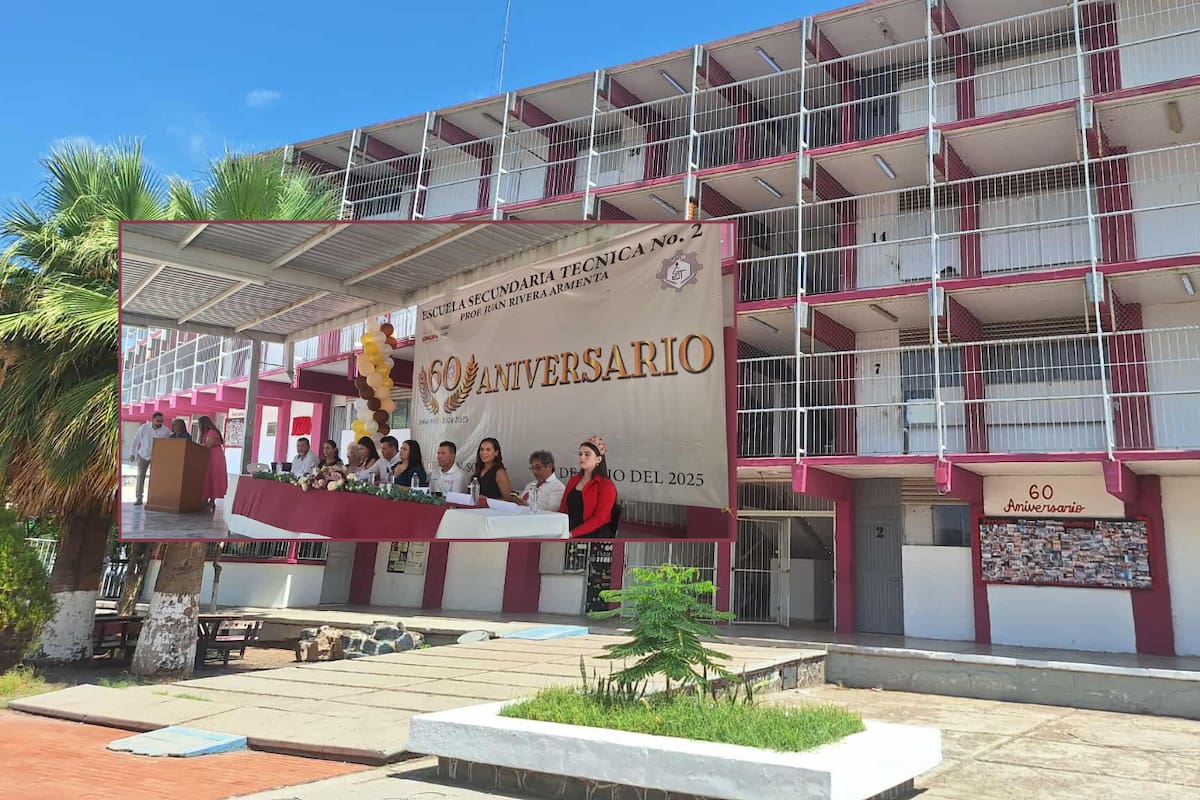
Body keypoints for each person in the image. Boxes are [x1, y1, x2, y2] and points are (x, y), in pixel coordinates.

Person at [559, 435, 618, 538]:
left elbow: (600, 518)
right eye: (580, 454)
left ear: (598, 459)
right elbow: (563, 508)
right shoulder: (574, 480)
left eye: (587, 454)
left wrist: (572, 533)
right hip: (569, 531)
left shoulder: (606, 486)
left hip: (594, 534)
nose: (582, 457)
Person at [129, 412, 170, 506]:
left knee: (156, 478)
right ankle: (139, 497)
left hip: (157, 457)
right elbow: (135, 440)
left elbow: (167, 445)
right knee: (141, 476)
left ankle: (154, 498)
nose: (160, 422)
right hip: (143, 455)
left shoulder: (166, 431)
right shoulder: (144, 427)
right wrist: (132, 453)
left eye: (161, 421)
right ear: (153, 419)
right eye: (158, 420)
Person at [196, 416, 228, 513]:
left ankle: (211, 501)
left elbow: (208, 445)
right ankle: (206, 499)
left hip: (214, 456)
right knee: (207, 478)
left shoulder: (212, 432)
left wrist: (196, 445)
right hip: (209, 456)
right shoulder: (207, 433)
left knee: (213, 477)